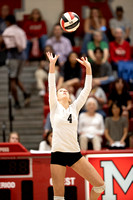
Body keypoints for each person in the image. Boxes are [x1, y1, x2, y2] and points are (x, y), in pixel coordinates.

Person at [47, 52, 105, 200]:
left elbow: (87, 89)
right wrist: (52, 65)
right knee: (59, 196)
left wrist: (88, 68)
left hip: (74, 154)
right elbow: (51, 85)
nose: (63, 91)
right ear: (57, 96)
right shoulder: (54, 107)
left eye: (65, 90)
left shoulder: (75, 107)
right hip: (58, 154)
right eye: (61, 91)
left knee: (100, 186)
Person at [2, 15, 30, 109]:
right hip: (22, 56)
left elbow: (6, 45)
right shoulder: (21, 31)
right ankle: (25, 93)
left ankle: (16, 102)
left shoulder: (7, 31)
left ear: (8, 22)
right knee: (16, 78)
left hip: (13, 55)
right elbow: (23, 45)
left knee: (12, 79)